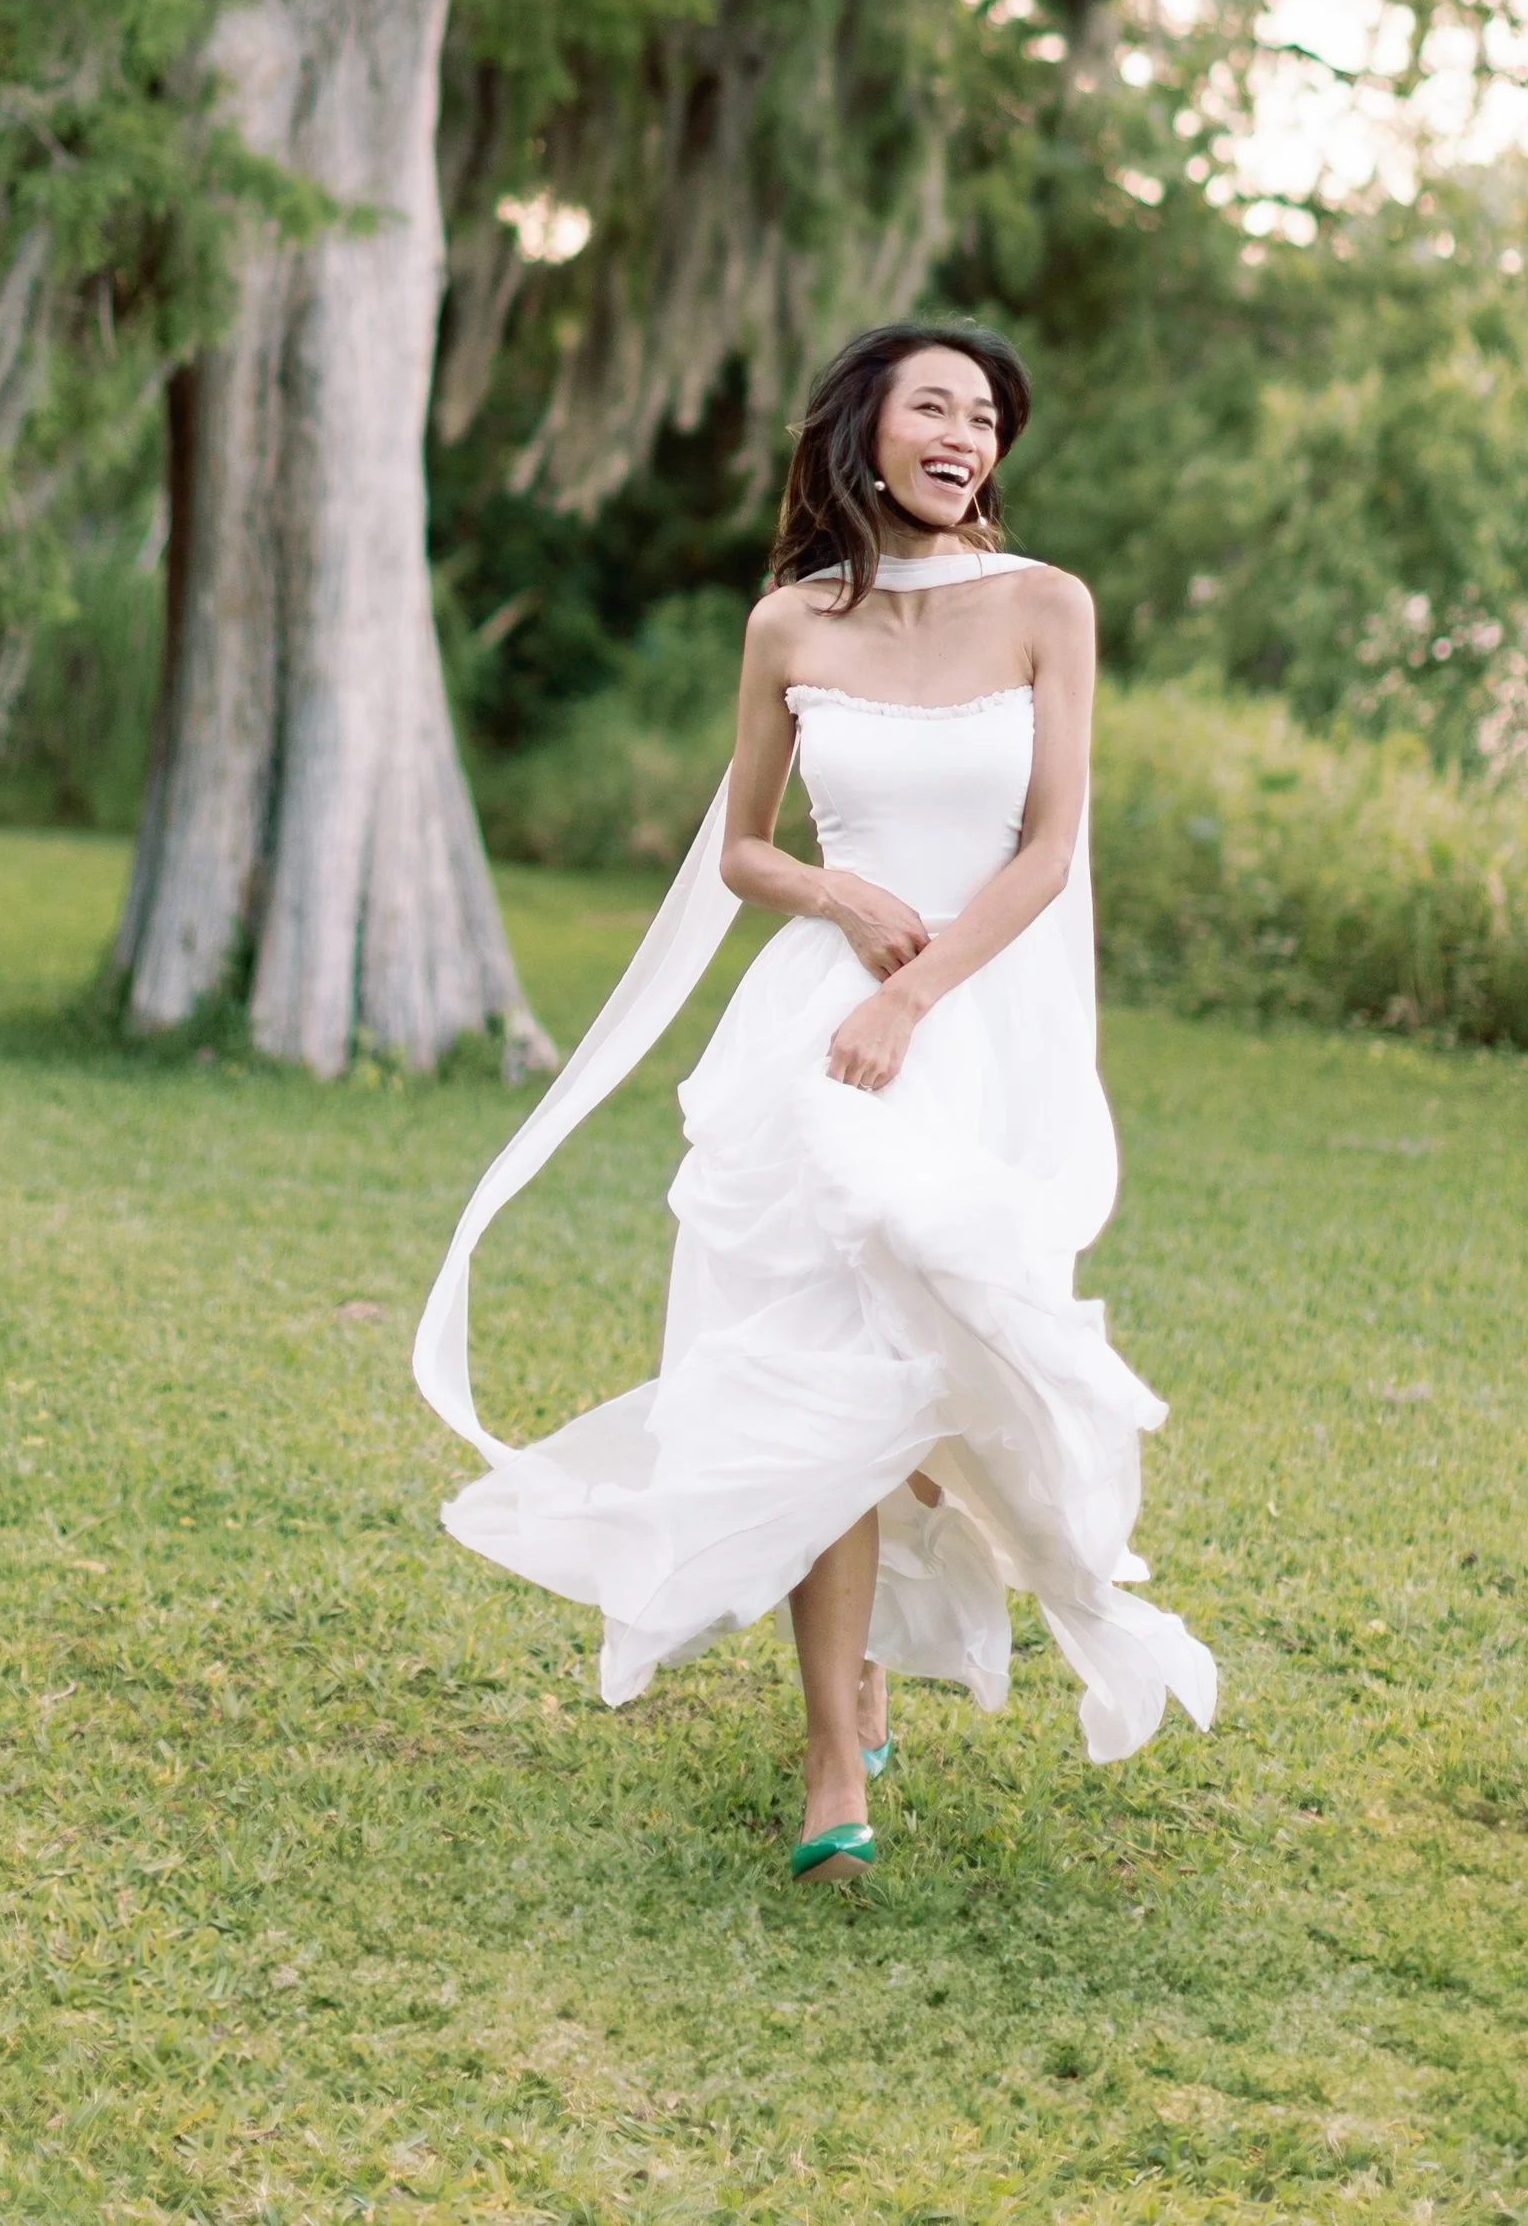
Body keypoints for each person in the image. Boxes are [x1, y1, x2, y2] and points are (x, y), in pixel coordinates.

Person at [412, 323, 1216, 1885]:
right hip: (814, 1033)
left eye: (987, 416)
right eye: (937, 404)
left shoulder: (1049, 605)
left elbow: (1048, 850)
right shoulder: (789, 624)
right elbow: (744, 852)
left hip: (963, 1025)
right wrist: (839, 903)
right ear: (865, 429)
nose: (967, 433)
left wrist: (912, 991)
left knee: (920, 1367)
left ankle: (878, 1640)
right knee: (819, 1366)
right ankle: (833, 1747)